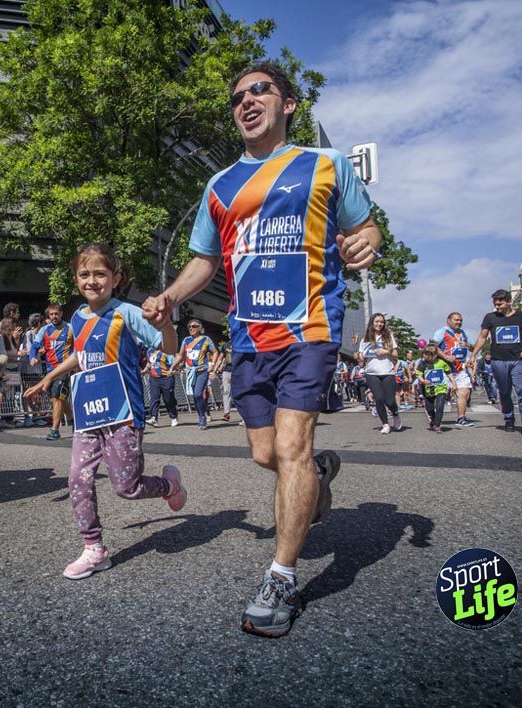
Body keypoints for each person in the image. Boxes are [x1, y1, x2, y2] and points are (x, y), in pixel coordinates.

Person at [142, 61, 381, 638]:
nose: (246, 102)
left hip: (310, 327)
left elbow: (367, 226)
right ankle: (318, 479)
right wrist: (169, 297)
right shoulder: (219, 186)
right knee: (265, 454)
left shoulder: (324, 165)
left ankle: (280, 576)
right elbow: (205, 259)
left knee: (293, 444)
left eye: (259, 91)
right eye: (237, 98)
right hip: (249, 336)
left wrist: (365, 243)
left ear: (288, 104)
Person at [24, 244, 185, 580]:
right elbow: (81, 355)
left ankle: (168, 486)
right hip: (88, 412)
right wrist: (50, 377)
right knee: (77, 478)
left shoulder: (126, 314)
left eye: (100, 273)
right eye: (85, 274)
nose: (92, 280)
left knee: (126, 487)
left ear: (116, 277)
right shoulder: (77, 318)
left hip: (124, 413)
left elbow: (168, 348)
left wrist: (166, 324)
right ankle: (93, 547)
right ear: (75, 279)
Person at [469, 289, 522, 435]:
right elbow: (483, 337)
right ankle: (509, 418)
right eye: (495, 304)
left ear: (509, 302)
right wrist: (474, 355)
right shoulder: (490, 318)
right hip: (498, 361)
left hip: (518, 360)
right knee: (505, 392)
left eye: (500, 303)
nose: (497, 306)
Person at [29, 303, 74, 440]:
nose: (54, 317)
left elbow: (79, 345)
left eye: (56, 314)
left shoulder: (70, 328)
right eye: (51, 314)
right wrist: (32, 357)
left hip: (64, 368)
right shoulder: (44, 330)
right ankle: (73, 419)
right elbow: (35, 346)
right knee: (58, 398)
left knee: (57, 397)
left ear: (61, 313)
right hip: (49, 370)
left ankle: (55, 429)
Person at [357, 313, 402, 434]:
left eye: (381, 322)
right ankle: (385, 424)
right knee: (379, 399)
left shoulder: (388, 337)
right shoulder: (365, 339)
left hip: (387, 372)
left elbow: (396, 355)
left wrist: (386, 351)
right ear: (372, 323)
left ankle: (396, 415)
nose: (379, 324)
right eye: (377, 322)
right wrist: (360, 356)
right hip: (371, 373)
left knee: (390, 401)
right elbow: (361, 356)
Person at [432, 312, 476, 428]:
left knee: (464, 392)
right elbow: (432, 346)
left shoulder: (463, 333)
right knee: (440, 395)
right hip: (445, 369)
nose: (459, 322)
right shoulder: (442, 332)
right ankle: (435, 418)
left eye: (460, 320)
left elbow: (474, 347)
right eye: (456, 320)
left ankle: (461, 418)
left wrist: (467, 345)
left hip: (460, 368)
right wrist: (446, 356)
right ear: (448, 320)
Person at [173, 319, 215, 429]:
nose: (191, 328)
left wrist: (212, 364)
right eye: (189, 327)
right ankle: (201, 415)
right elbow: (181, 355)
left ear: (199, 328)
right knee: (195, 397)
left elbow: (215, 352)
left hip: (202, 371)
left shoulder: (206, 339)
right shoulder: (186, 341)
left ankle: (202, 417)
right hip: (190, 372)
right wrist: (174, 366)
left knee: (197, 394)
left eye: (194, 326)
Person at [415, 342, 452, 432]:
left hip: (441, 388)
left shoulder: (441, 362)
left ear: (436, 355)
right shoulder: (422, 364)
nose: (429, 357)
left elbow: (448, 372)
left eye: (432, 355)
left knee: (439, 406)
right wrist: (423, 381)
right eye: (427, 354)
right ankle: (433, 420)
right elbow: (418, 374)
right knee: (430, 408)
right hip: (428, 389)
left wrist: (454, 383)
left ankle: (437, 425)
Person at [144, 345, 179, 426]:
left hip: (166, 378)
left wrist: (173, 371)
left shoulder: (167, 351)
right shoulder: (150, 351)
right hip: (154, 379)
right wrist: (144, 371)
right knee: (154, 398)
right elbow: (149, 363)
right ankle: (153, 418)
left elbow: (176, 363)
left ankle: (173, 417)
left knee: (168, 399)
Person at [215, 340, 234, 421]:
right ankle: (226, 413)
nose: (230, 333)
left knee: (240, 393)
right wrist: (214, 370)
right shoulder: (225, 345)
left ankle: (245, 416)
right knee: (226, 392)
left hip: (239, 370)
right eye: (228, 332)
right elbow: (220, 358)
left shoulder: (241, 342)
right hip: (227, 370)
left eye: (231, 331)